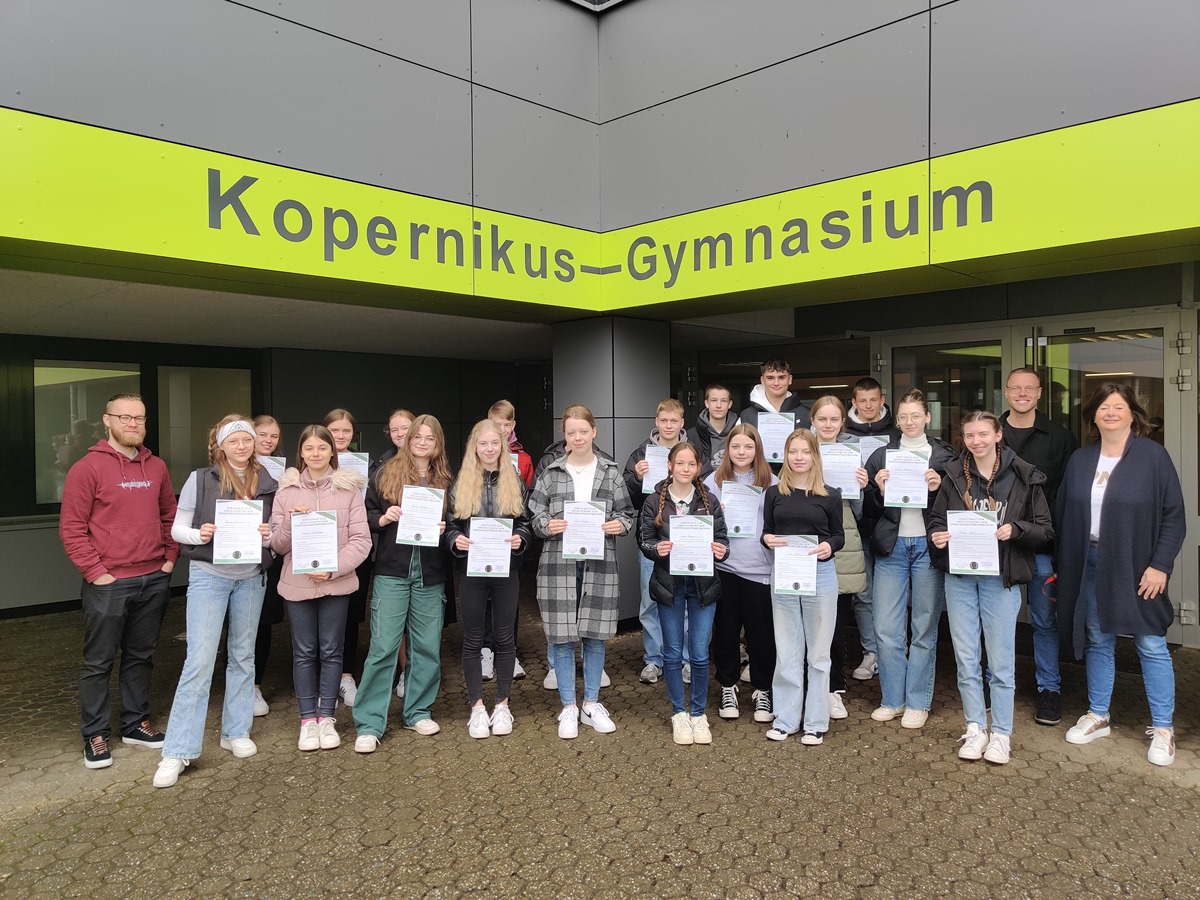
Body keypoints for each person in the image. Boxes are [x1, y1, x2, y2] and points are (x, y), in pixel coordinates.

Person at [1055, 384, 1185, 767]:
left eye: (1118, 407)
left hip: (1138, 567)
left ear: (1132, 414)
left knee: (1150, 644)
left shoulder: (1153, 457)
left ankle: (1163, 729)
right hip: (1089, 561)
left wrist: (1160, 564)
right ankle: (1099, 715)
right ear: (1093, 415)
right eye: (1103, 407)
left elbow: (1174, 516)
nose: (1110, 413)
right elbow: (1064, 513)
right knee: (1098, 638)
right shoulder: (1081, 459)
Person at [153, 416, 278, 788]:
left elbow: (277, 536)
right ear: (221, 445)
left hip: (252, 577)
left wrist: (269, 535)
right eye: (235, 441)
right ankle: (177, 749)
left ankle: (236, 731)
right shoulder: (200, 479)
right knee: (200, 661)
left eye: (247, 440)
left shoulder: (268, 481)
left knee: (243, 655)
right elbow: (178, 528)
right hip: (210, 576)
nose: (242, 446)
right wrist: (200, 532)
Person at [60, 393, 179, 769]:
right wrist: (98, 574)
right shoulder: (87, 468)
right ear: (107, 421)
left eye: (139, 419)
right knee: (99, 662)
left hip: (153, 578)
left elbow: (169, 515)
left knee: (141, 657)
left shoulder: (157, 466)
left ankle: (135, 724)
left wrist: (169, 560)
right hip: (109, 583)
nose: (133, 424)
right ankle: (95, 734)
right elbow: (72, 529)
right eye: (125, 417)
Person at [928, 411, 1053, 766]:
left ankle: (1001, 734)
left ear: (998, 435)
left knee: (1000, 663)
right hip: (961, 579)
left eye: (984, 433)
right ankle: (974, 727)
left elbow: (1045, 529)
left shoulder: (1023, 476)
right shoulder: (953, 475)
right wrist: (937, 536)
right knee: (966, 659)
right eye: (970, 435)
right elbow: (937, 521)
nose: (977, 441)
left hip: (1001, 580)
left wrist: (1016, 530)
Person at [529, 404, 634, 739]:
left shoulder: (611, 471)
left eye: (583, 432)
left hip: (598, 564)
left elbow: (627, 513)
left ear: (594, 432)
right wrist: (548, 524)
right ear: (565, 434)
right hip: (558, 565)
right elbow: (534, 516)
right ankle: (568, 707)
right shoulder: (551, 472)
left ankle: (591, 702)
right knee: (561, 636)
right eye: (571, 432)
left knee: (594, 634)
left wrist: (618, 524)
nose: (577, 437)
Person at [353, 415, 453, 751]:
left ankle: (417, 711)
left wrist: (446, 528)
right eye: (417, 437)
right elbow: (363, 515)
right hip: (393, 572)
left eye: (430, 438)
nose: (423, 443)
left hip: (431, 573)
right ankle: (369, 723)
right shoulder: (385, 473)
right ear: (408, 439)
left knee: (426, 647)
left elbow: (457, 520)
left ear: (438, 444)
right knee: (383, 648)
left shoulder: (446, 479)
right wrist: (382, 518)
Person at [270, 425, 371, 751]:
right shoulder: (285, 494)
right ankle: (307, 720)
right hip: (298, 585)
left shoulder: (350, 491)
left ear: (332, 452)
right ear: (301, 453)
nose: (315, 454)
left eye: (322, 448)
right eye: (309, 448)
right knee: (304, 653)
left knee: (332, 651)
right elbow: (277, 545)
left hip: (336, 583)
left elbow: (362, 540)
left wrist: (333, 568)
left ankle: (326, 717)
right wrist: (289, 521)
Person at [862, 388, 956, 729]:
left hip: (928, 548)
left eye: (916, 415)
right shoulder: (882, 455)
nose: (910, 422)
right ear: (896, 418)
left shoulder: (946, 457)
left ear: (928, 417)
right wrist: (879, 491)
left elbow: (956, 507)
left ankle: (918, 701)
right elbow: (868, 510)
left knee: (923, 628)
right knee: (886, 628)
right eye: (903, 417)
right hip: (892, 547)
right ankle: (892, 699)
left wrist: (938, 489)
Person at [999, 367, 1078, 726]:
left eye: (1029, 388)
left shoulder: (1060, 438)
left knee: (1044, 623)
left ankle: (1049, 690)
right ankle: (998, 685)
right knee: (998, 621)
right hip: (998, 546)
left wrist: (1064, 550)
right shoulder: (989, 433)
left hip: (1043, 547)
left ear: (1039, 393)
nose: (1022, 394)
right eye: (1016, 388)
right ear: (1006, 392)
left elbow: (1068, 498)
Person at [445, 419, 533, 738]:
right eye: (483, 444)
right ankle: (477, 707)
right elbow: (452, 524)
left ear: (502, 445)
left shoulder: (514, 480)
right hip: (473, 570)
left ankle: (503, 704)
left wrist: (521, 537)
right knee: (472, 639)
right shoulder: (463, 480)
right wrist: (455, 540)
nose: (489, 449)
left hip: (505, 569)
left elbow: (526, 522)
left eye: (494, 443)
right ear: (475, 447)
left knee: (505, 639)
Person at [639, 442, 730, 745]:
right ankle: (679, 713)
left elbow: (722, 539)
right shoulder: (654, 501)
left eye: (691, 464)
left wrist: (721, 550)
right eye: (680, 463)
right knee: (673, 653)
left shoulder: (709, 500)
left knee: (701, 654)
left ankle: (698, 714)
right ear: (670, 465)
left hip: (703, 585)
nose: (685, 469)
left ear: (698, 467)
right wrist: (656, 548)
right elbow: (644, 540)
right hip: (670, 585)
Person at [761, 429, 844, 743]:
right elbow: (767, 532)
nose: (799, 458)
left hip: (820, 576)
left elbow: (839, 535)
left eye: (805, 452)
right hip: (784, 575)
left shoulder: (830, 494)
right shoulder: (774, 493)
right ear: (786, 456)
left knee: (819, 654)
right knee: (787, 650)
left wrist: (830, 546)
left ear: (815, 456)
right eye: (793, 452)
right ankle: (786, 719)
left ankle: (816, 722)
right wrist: (767, 539)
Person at [704, 424, 778, 725]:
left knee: (762, 636)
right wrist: (714, 514)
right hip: (726, 569)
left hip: (760, 570)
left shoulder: (772, 481)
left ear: (756, 450)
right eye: (736, 447)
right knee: (725, 633)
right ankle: (728, 686)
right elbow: (697, 521)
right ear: (728, 450)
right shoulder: (713, 481)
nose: (742, 452)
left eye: (748, 447)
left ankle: (762, 689)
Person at [810, 396, 869, 722]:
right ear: (813, 421)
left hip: (843, 546)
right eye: (823, 419)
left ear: (842, 423)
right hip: (805, 546)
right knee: (807, 624)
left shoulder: (852, 454)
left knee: (834, 627)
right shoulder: (801, 450)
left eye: (834, 419)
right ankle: (808, 687)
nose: (828, 425)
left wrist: (860, 488)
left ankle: (833, 689)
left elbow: (859, 514)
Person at [623, 398, 687, 686]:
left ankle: (684, 659)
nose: (669, 425)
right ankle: (653, 659)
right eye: (664, 420)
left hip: (686, 540)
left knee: (684, 602)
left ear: (682, 423)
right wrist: (636, 479)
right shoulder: (641, 454)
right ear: (656, 422)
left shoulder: (690, 452)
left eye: (674, 421)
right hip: (651, 538)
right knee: (650, 601)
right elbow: (627, 497)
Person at [842, 377, 900, 682]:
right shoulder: (841, 433)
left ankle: (891, 650)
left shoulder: (896, 434)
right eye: (861, 401)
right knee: (863, 594)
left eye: (873, 400)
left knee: (890, 594)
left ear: (882, 400)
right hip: (853, 523)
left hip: (888, 522)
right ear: (853, 402)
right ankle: (871, 652)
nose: (868, 406)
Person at [480, 399, 533, 682]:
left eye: (506, 425)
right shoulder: (476, 454)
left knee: (508, 600)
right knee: (484, 598)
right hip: (480, 543)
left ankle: (507, 653)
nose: (501, 430)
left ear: (513, 426)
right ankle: (485, 651)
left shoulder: (523, 459)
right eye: (496, 424)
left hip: (508, 541)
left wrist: (520, 536)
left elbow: (529, 500)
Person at [323, 408, 371, 708]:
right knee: (322, 617)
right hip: (321, 550)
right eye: (335, 431)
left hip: (355, 549)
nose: (340, 437)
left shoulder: (364, 466)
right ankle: (323, 679)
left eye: (346, 432)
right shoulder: (310, 463)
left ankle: (345, 676)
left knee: (351, 615)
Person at [371, 408, 415, 701]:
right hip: (393, 557)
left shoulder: (437, 465)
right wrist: (383, 519)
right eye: (395, 430)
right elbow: (368, 511)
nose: (400, 434)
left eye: (406, 428)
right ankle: (400, 674)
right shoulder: (382, 467)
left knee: (421, 625)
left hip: (427, 558)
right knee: (390, 630)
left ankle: (415, 676)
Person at [251, 414, 284, 717]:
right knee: (238, 626)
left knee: (262, 624)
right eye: (263, 434)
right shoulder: (231, 470)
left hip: (269, 556)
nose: (268, 441)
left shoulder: (283, 471)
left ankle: (256, 686)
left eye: (273, 436)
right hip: (236, 557)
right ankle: (241, 686)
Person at [735, 359, 812, 459]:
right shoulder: (747, 415)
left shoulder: (806, 415)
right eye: (770, 378)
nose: (776, 383)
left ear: (790, 379)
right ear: (762, 380)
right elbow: (736, 449)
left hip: (796, 474)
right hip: (757, 473)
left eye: (781, 377)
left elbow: (814, 451)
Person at [688, 383, 735, 474]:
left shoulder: (739, 431)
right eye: (714, 400)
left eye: (724, 401)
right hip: (702, 486)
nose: (718, 405)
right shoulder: (692, 435)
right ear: (706, 403)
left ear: (730, 404)